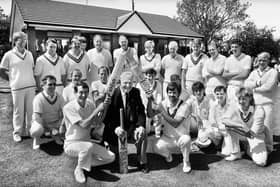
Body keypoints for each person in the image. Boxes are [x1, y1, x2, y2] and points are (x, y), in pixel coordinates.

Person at [63, 82, 115, 183]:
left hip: (87, 142)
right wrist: (96, 110)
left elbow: (97, 122)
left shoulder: (90, 103)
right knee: (87, 147)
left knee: (111, 157)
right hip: (71, 144)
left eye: (86, 92)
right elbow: (83, 124)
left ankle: (83, 162)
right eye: (81, 92)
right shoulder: (68, 107)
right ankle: (79, 169)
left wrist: (105, 107)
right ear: (75, 92)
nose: (83, 95)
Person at [103, 71, 148, 173]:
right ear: (120, 82)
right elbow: (107, 117)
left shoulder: (136, 92)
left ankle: (142, 161)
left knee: (143, 133)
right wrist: (116, 128)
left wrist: (141, 126)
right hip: (115, 130)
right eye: (125, 83)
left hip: (131, 128)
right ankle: (110, 149)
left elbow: (141, 111)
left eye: (130, 83)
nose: (128, 86)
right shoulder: (112, 93)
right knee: (113, 159)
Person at [146, 81, 192, 173]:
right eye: (169, 92)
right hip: (168, 138)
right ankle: (168, 155)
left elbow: (176, 123)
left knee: (186, 139)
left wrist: (162, 111)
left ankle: (186, 161)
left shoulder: (185, 106)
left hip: (181, 139)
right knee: (156, 147)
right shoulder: (163, 103)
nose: (171, 95)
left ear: (179, 93)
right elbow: (150, 114)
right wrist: (149, 100)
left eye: (174, 92)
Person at [0, 32, 36, 142]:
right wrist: (11, 80)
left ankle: (30, 130)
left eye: (25, 40)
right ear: (15, 41)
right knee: (18, 111)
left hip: (30, 86)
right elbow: (1, 70)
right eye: (21, 40)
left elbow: (32, 69)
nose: (23, 42)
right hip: (17, 88)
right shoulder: (8, 55)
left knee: (31, 111)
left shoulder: (29, 54)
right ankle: (17, 132)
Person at [220, 88, 269, 166]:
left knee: (261, 162)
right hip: (243, 133)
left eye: (244, 99)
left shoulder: (259, 110)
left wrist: (237, 128)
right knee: (228, 127)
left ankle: (247, 148)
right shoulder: (235, 106)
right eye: (239, 99)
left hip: (255, 137)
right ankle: (236, 153)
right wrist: (241, 125)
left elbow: (252, 134)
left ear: (250, 98)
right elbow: (224, 120)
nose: (241, 101)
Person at [244, 52, 278, 152]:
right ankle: (256, 147)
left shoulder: (273, 72)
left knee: (267, 126)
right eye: (260, 60)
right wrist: (257, 83)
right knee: (255, 126)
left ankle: (269, 148)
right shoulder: (254, 72)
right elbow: (246, 84)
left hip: (267, 103)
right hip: (256, 103)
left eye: (264, 60)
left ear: (268, 61)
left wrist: (254, 89)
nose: (261, 62)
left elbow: (269, 87)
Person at [30, 75, 64, 149]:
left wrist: (61, 125)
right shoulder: (38, 98)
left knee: (70, 122)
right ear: (43, 85)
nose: (53, 86)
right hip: (42, 123)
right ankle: (37, 139)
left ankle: (55, 136)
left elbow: (64, 113)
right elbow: (37, 117)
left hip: (55, 122)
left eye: (54, 84)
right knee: (37, 130)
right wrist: (50, 128)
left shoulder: (59, 96)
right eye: (50, 84)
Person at [136, 68, 163, 134]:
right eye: (148, 75)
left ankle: (158, 133)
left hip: (154, 106)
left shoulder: (158, 84)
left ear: (155, 76)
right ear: (145, 75)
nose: (149, 77)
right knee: (147, 130)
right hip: (144, 107)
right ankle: (147, 131)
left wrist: (157, 104)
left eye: (151, 76)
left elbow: (159, 95)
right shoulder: (140, 84)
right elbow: (137, 96)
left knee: (158, 117)